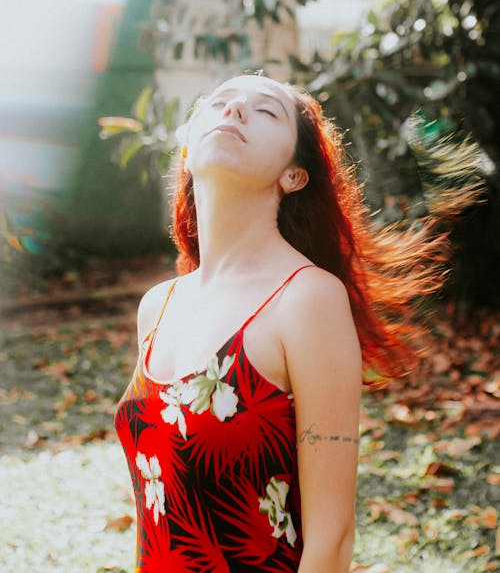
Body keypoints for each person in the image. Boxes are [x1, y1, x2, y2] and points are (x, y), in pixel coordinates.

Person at [114, 71, 449, 572]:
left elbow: (331, 539)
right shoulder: (158, 307)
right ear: (186, 149)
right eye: (220, 101)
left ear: (293, 174)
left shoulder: (307, 299)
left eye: (265, 110)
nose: (234, 110)